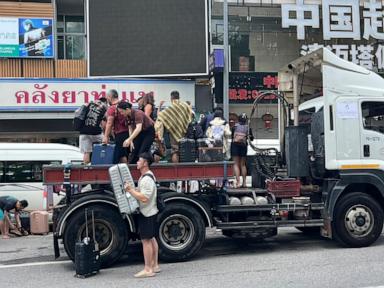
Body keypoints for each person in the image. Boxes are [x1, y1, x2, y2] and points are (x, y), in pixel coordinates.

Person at [124, 152, 160, 278]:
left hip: (147, 212)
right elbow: (142, 192)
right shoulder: (145, 177)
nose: (137, 163)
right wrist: (134, 189)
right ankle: (155, 265)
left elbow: (144, 198)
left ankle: (148, 269)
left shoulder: (146, 179)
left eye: (139, 161)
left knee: (146, 241)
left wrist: (131, 190)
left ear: (145, 163)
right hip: (150, 211)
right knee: (151, 238)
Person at [155, 91, 192, 163]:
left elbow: (160, 116)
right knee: (184, 149)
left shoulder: (169, 108)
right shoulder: (184, 106)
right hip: (184, 130)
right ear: (179, 97)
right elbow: (190, 116)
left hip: (173, 132)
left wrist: (159, 106)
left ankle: (176, 169)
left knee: (175, 150)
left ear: (171, 98)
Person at [103, 89, 129, 164]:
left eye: (107, 97)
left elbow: (109, 123)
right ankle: (125, 171)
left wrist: (106, 137)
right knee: (123, 154)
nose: (107, 99)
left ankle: (120, 172)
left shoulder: (112, 108)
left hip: (120, 134)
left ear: (110, 97)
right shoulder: (124, 104)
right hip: (129, 133)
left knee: (118, 157)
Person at [79, 97, 108, 164]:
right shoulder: (104, 108)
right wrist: (106, 135)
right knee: (105, 145)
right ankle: (101, 162)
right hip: (96, 132)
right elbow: (104, 123)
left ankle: (86, 168)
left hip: (84, 132)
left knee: (87, 152)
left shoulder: (89, 104)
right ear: (105, 102)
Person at [231, 113, 253, 188]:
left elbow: (232, 137)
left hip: (235, 146)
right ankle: (244, 183)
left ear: (238, 119)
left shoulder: (234, 127)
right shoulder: (248, 128)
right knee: (243, 164)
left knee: (236, 164)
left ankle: (238, 183)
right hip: (244, 146)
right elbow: (252, 138)